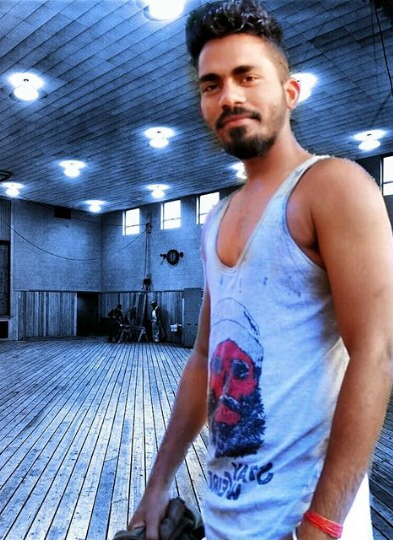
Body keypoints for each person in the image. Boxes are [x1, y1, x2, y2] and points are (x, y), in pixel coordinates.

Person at [128, 1, 393, 539]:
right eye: (212, 84)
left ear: (290, 92)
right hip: (225, 515)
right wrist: (157, 484)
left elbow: (377, 352)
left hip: (304, 523)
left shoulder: (333, 187)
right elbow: (203, 359)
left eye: (247, 76)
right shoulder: (217, 219)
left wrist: (321, 525)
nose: (229, 95)